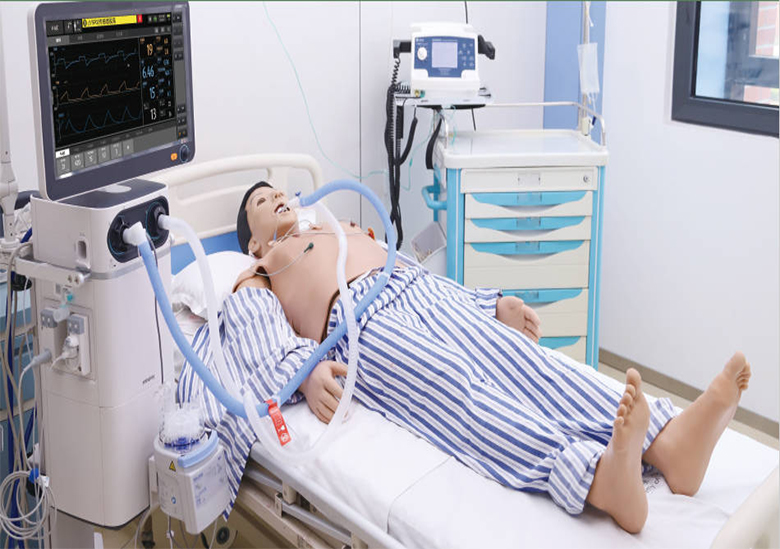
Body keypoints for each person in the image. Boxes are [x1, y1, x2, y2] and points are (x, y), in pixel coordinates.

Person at [180, 181, 751, 533]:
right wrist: (305, 375)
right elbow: (261, 342)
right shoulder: (256, 272)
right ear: (251, 241)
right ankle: (597, 479)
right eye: (260, 201)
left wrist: (487, 306)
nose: (275, 195)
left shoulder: (340, 227)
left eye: (277, 189)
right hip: (360, 326)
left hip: (416, 293)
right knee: (458, 387)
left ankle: (668, 445)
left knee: (523, 361)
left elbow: (412, 269)